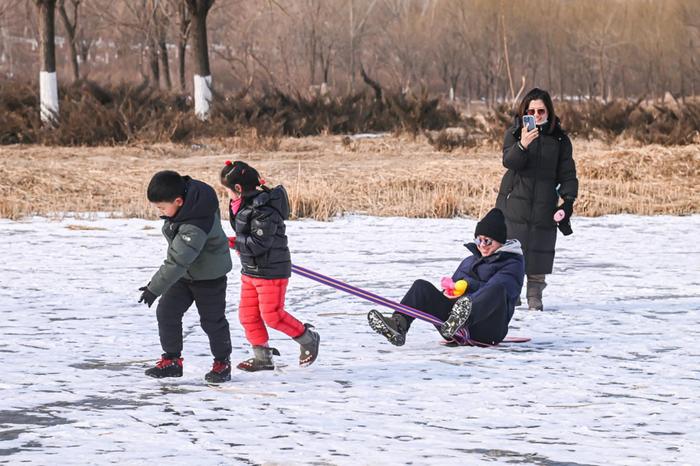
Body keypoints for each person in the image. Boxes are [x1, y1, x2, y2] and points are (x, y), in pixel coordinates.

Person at [367, 208, 524, 347]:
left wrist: (465, 290)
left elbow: (498, 290)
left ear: (500, 242)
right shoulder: (469, 261)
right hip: (451, 325)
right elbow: (453, 287)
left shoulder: (512, 263)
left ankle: (460, 318)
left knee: (496, 290)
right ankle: (398, 324)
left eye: (487, 241)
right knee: (421, 287)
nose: (482, 245)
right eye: (479, 240)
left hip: (488, 329)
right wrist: (449, 292)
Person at [220, 160, 320, 371]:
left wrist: (232, 242)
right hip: (251, 271)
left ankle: (308, 338)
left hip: (271, 272)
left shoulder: (264, 209)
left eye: (227, 190)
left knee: (273, 316)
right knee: (248, 316)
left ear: (238, 188)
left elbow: (259, 243)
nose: (226, 195)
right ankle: (262, 356)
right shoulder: (242, 205)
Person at [138, 170, 233, 383]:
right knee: (167, 312)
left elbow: (178, 260)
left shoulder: (195, 225)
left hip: (210, 278)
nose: (160, 212)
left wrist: (154, 288)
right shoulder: (188, 205)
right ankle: (172, 361)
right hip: (185, 275)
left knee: (212, 321)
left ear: (179, 201)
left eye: (162, 208)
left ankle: (222, 363)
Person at [495, 88, 578, 310]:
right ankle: (511, 296)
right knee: (512, 250)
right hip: (514, 202)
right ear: (524, 112)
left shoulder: (559, 140)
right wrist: (523, 144)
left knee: (540, 248)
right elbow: (509, 162)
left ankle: (535, 298)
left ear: (548, 111)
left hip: (544, 202)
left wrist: (567, 202)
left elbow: (568, 174)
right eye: (531, 111)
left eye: (541, 111)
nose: (537, 115)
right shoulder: (514, 134)